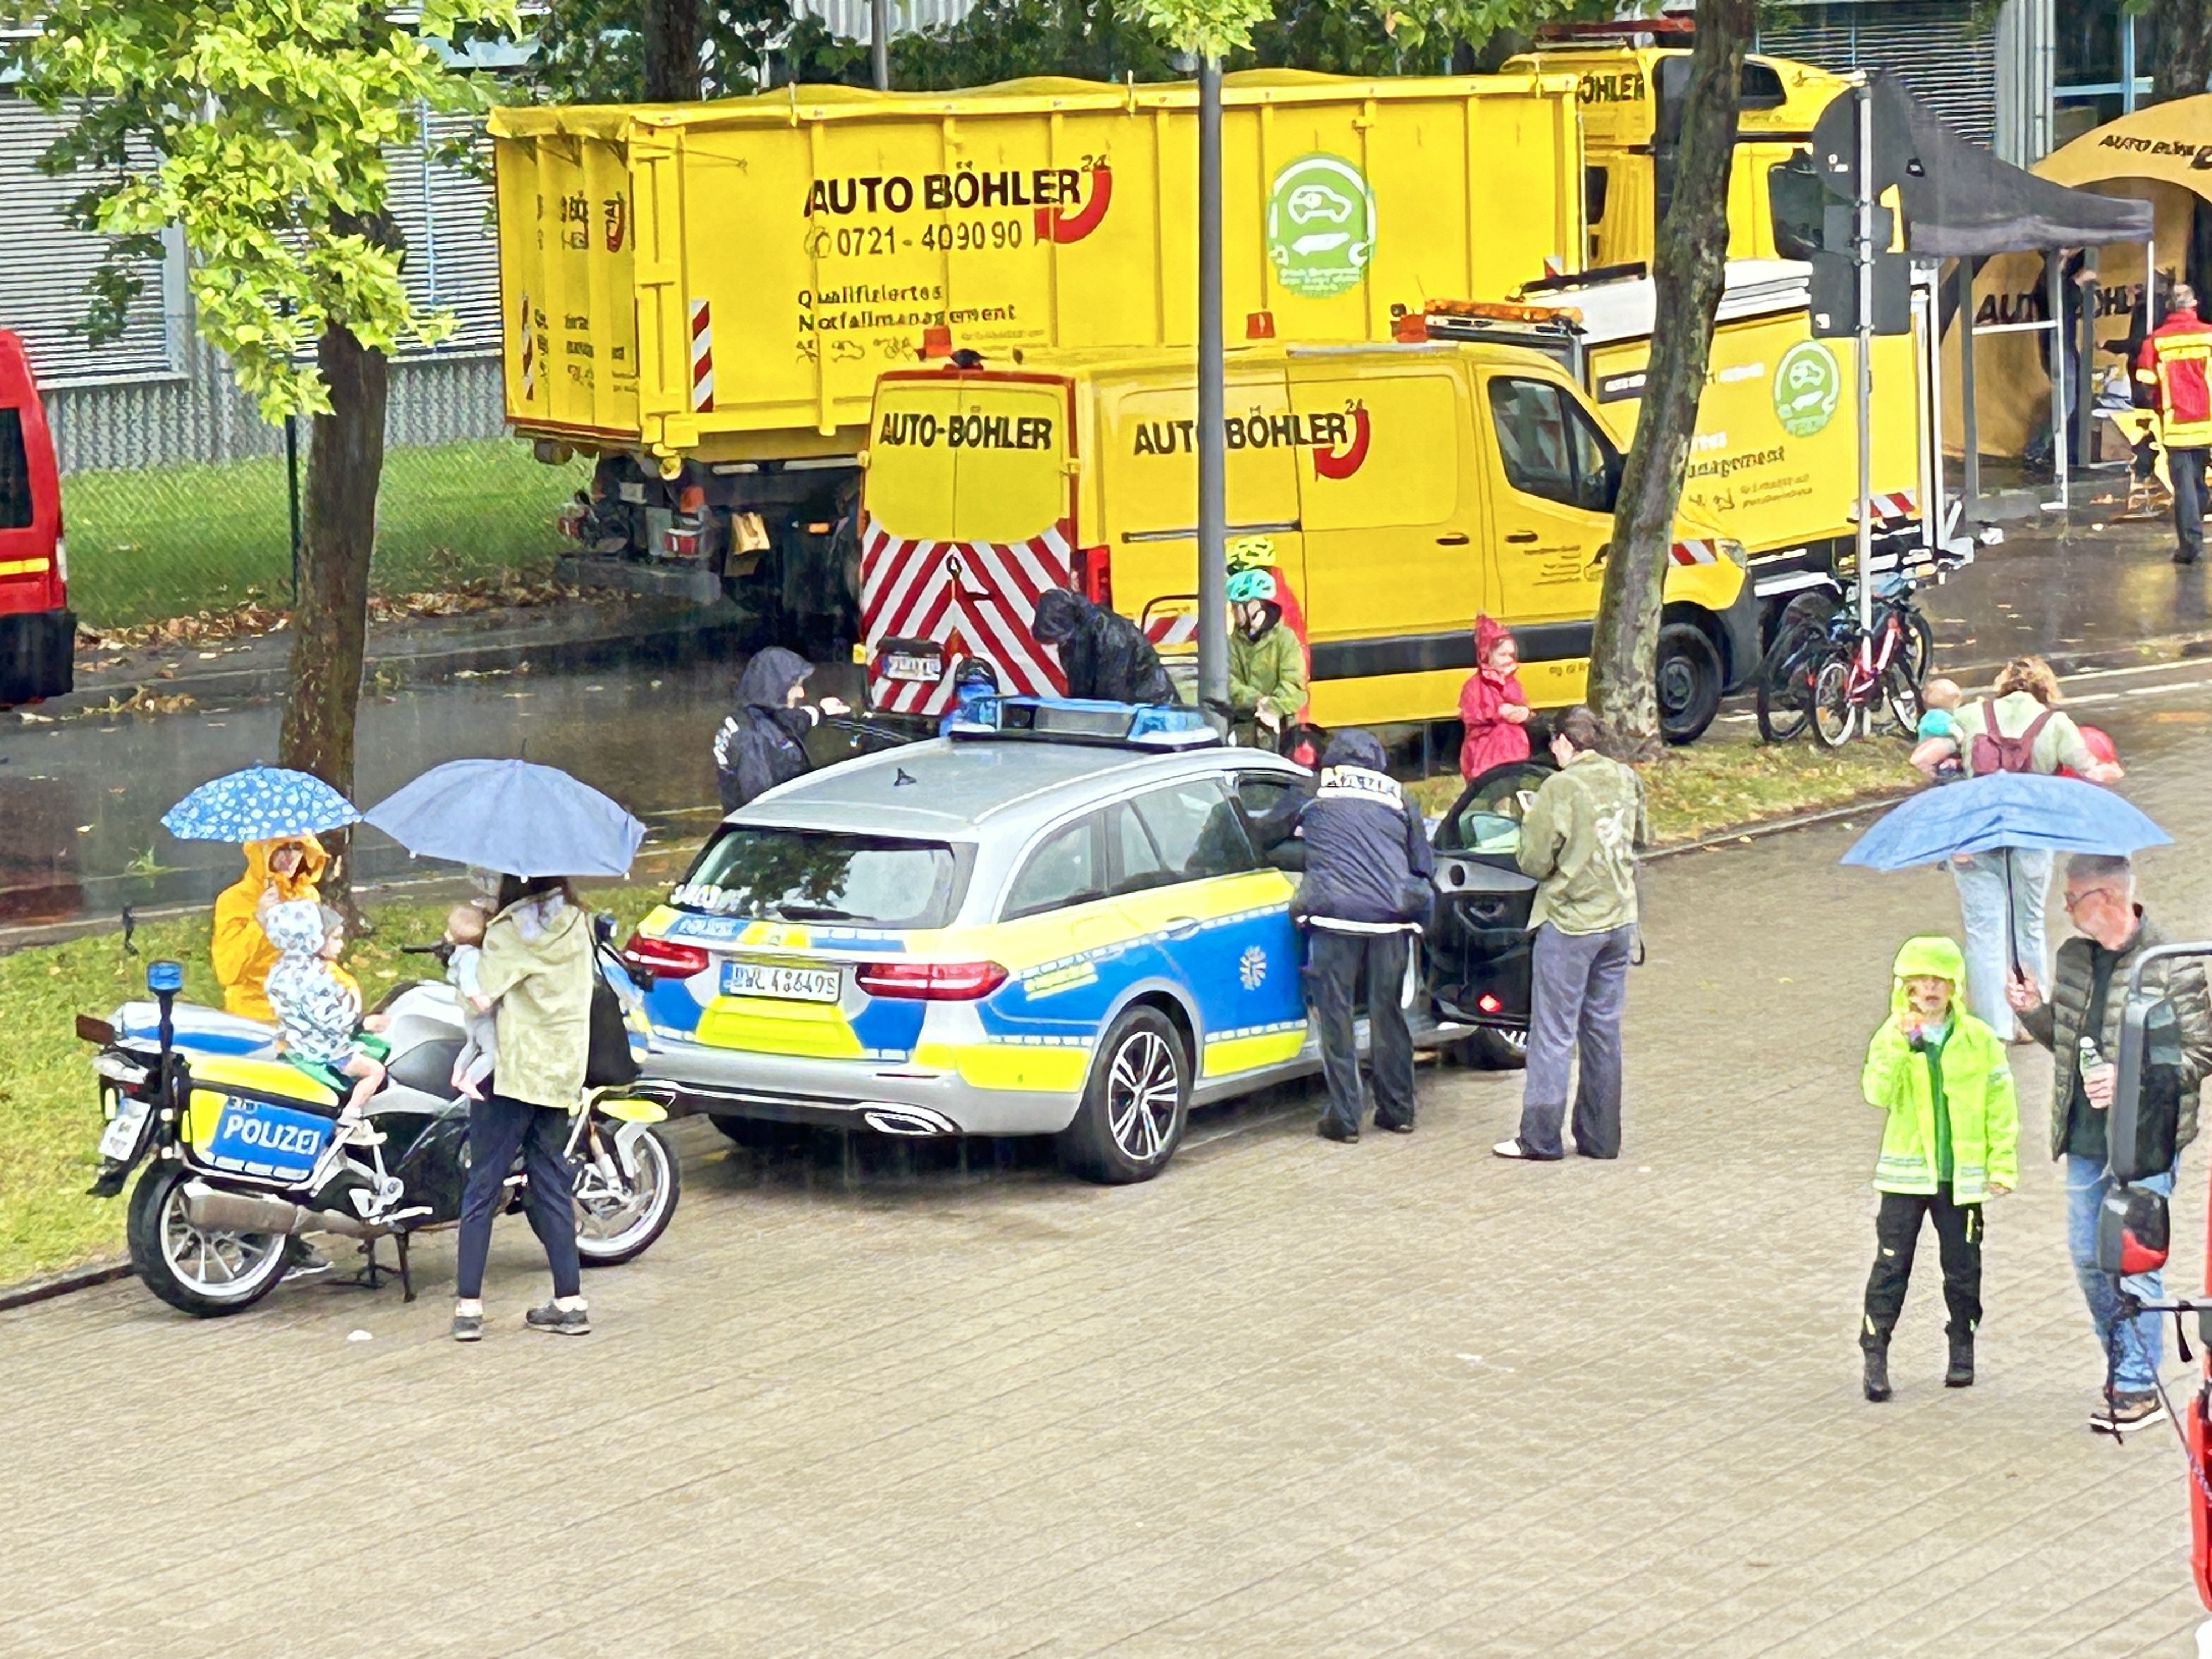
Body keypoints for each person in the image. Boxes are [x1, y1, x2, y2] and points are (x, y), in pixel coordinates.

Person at [2006, 853, 2212, 1431]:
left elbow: (2200, 1055)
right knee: (2090, 1262)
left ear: (2108, 899)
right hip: (2084, 1137)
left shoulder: (2170, 964)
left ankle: (2136, 1386)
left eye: (2072, 899)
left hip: (2146, 1138)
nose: (2065, 909)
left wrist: (2130, 1075)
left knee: (2134, 1263)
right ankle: (2124, 1361)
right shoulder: (2074, 958)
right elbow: (2070, 1047)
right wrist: (2034, 1014)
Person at [1858, 934, 2018, 1403]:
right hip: (1905, 1177)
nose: (1928, 989)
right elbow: (1876, 1093)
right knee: (1892, 1265)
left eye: (1938, 980)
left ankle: (1961, 1348)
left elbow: (2000, 1105)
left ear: (1955, 986)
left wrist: (2002, 1165)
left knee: (1963, 1267)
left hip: (1960, 1176)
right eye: (1918, 981)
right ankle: (1875, 1352)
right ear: (1904, 988)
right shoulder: (1892, 1036)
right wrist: (1900, 1050)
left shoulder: (1978, 1040)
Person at [1927, 657, 2122, 1041]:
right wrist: (2111, 771)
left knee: (1984, 932)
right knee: (2028, 924)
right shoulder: (2055, 724)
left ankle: (1991, 1028)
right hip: (2032, 834)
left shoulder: (1971, 714)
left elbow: (1927, 758)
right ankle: (2031, 1019)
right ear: (2045, 688)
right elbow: (2094, 771)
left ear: (2002, 685)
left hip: (1977, 835)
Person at [1252, 729, 1433, 1142]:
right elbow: (1422, 864)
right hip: (1391, 921)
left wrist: (1306, 849)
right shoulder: (1400, 795)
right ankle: (1399, 1110)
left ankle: (1346, 1119)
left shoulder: (1317, 786)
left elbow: (1265, 835)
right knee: (1388, 1014)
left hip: (1334, 919)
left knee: (1336, 1018)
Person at [1495, 706, 1647, 1163]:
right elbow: (1639, 837)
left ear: (1563, 741)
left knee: (1554, 1033)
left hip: (1571, 923)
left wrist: (1528, 820)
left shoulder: (1559, 787)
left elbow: (1534, 861)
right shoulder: (1625, 777)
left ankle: (1540, 1138)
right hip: (1620, 921)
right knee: (1603, 1029)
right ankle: (1602, 1138)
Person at [453, 874, 598, 1342]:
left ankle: (469, 1309)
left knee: (483, 1185)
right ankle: (571, 1302)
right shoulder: (579, 923)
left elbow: (479, 997)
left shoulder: (511, 931)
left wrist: (460, 954)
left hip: (512, 1070)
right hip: (559, 1071)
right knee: (551, 1182)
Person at [261, 898, 388, 1116]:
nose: (341, 945)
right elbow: (329, 1017)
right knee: (376, 1071)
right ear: (312, 939)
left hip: (294, 1041)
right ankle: (351, 1116)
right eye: (336, 938)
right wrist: (362, 1023)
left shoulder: (279, 971)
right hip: (322, 1048)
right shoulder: (313, 976)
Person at [713, 647, 848, 814]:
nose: (802, 693)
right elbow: (762, 805)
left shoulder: (756, 717)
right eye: (795, 686)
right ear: (775, 687)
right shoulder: (753, 738)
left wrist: (821, 711)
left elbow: (790, 722)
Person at [2134, 281, 2212, 565]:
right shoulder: (2209, 336)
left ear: (2168, 307)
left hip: (2177, 423)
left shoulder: (2156, 340)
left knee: (2185, 487)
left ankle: (2190, 545)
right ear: (2193, 304)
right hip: (2209, 421)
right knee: (2199, 482)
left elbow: (2146, 381)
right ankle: (2197, 520)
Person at [211, 834, 327, 1022]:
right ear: (261, 852)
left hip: (300, 1010)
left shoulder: (308, 895)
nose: (291, 858)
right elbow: (228, 971)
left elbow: (320, 956)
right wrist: (261, 920)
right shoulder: (234, 900)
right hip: (251, 1013)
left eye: (297, 848)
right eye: (281, 849)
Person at [1031, 587, 1177, 706]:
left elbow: (1111, 696)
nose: (1057, 644)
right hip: (1119, 705)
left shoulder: (1113, 637)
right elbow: (1080, 692)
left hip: (1151, 705)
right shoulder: (1073, 639)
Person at [1226, 568, 1307, 746]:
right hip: (1245, 730)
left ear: (1253, 606)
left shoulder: (1285, 638)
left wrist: (1273, 707)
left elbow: (1294, 683)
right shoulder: (1233, 643)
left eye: (1235, 607)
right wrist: (1257, 702)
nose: (1233, 613)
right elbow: (1229, 682)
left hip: (1283, 731)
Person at [1458, 614, 1532, 781]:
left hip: (1514, 754)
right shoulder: (1474, 686)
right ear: (1488, 654)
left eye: (1511, 655)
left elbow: (1522, 704)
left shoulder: (1512, 683)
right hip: (1485, 755)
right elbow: (1473, 715)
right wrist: (1499, 713)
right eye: (1503, 655)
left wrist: (1524, 712)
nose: (1508, 660)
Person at [444, 904, 498, 1102]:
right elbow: (470, 985)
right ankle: (471, 1080)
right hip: (481, 1014)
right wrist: (484, 1001)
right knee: (492, 1052)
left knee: (472, 1044)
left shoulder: (459, 952)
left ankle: (457, 1074)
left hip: (470, 1015)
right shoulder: (471, 956)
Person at [938, 657, 1002, 735]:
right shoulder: (951, 721)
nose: (975, 693)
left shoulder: (1003, 713)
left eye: (981, 686)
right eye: (969, 687)